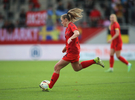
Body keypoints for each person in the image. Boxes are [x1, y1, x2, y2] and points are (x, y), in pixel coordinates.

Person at [39, 8, 104, 91]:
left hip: (73, 52)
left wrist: (71, 38)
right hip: (73, 51)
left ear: (66, 20)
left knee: (57, 67)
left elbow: (77, 33)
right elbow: (69, 39)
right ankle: (95, 60)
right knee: (77, 68)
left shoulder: (71, 25)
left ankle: (49, 86)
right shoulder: (67, 28)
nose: (61, 22)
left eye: (62, 21)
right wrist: (65, 47)